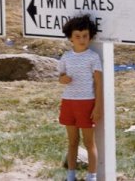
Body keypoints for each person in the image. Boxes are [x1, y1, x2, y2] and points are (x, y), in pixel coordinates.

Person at [58, 15, 103, 181]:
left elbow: (98, 83)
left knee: (89, 142)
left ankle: (92, 176)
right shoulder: (66, 57)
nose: (82, 39)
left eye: (85, 36)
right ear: (71, 38)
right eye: (77, 36)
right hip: (68, 101)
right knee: (72, 141)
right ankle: (71, 175)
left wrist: (98, 107)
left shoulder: (93, 57)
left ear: (90, 36)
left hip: (86, 102)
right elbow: (60, 76)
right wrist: (63, 79)